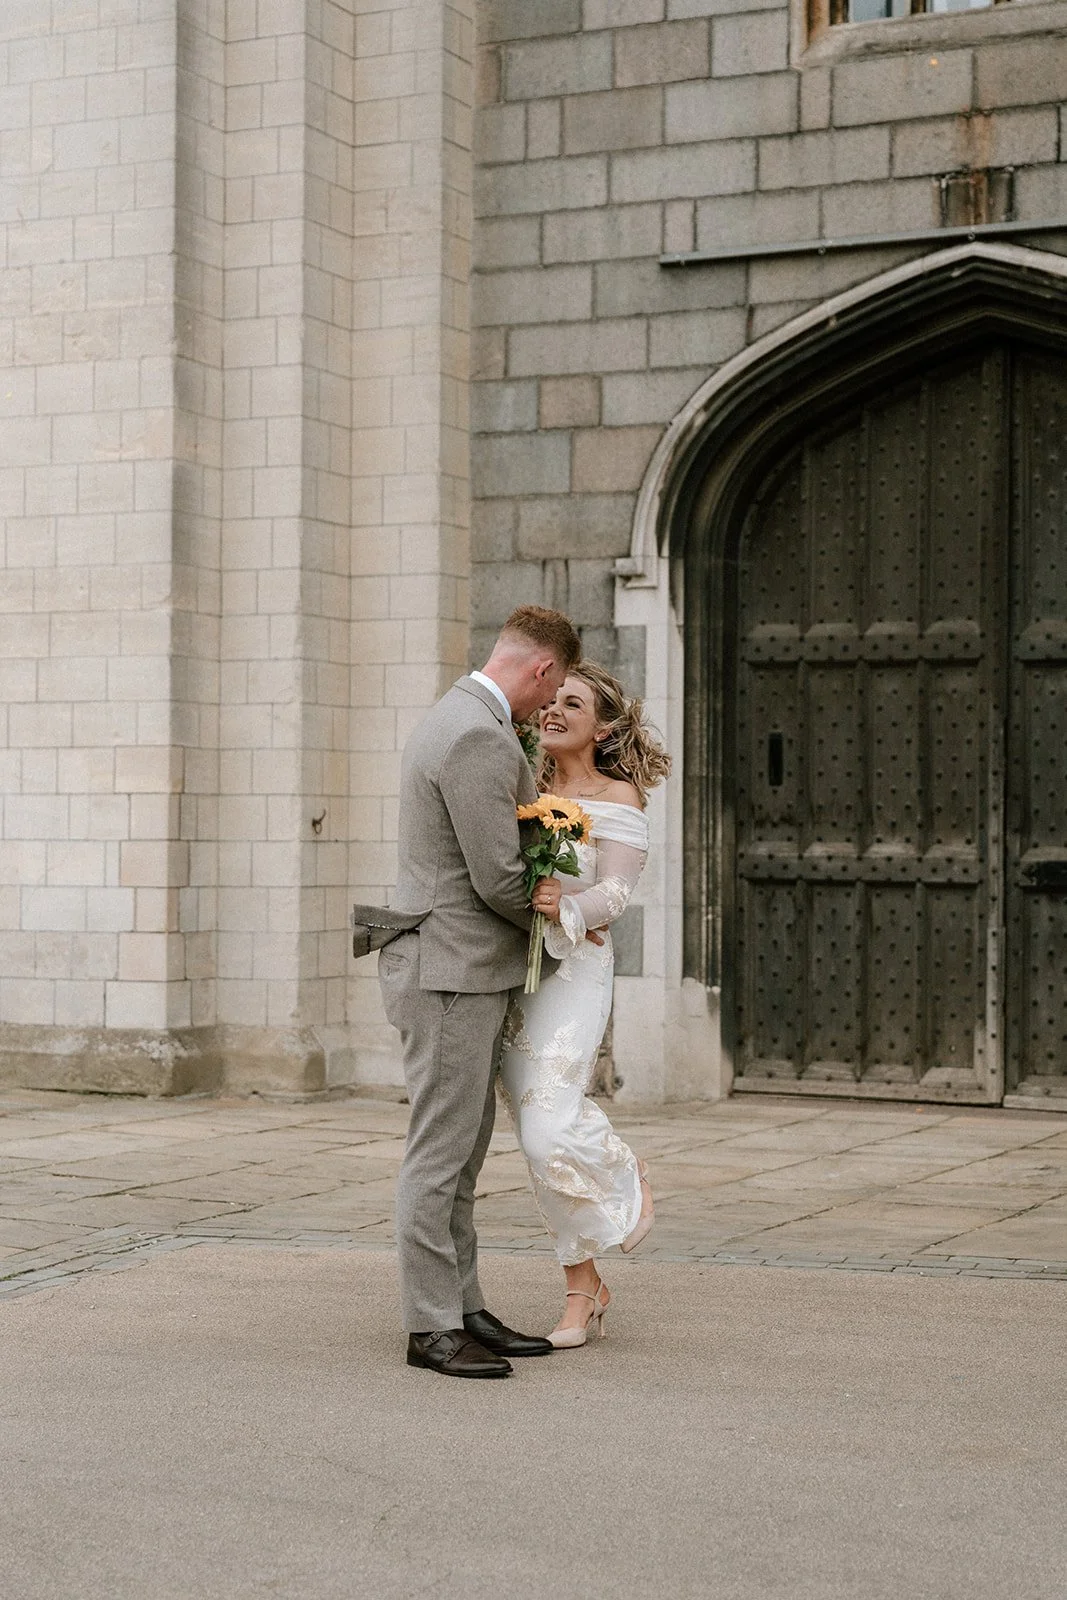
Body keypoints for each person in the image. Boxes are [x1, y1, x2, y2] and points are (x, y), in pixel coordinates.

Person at [376, 605, 582, 1379]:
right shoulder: (473, 734)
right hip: (449, 972)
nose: (548, 705)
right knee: (439, 1154)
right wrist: (563, 910)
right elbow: (498, 877)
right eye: (552, 688)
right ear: (540, 669)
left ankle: (461, 1306)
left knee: (461, 1153)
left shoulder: (466, 720)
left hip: (459, 969)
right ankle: (430, 1326)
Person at [498, 662, 671, 1348]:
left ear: (601, 728)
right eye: (551, 700)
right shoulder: (520, 784)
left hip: (573, 974)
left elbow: (615, 898)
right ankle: (583, 1289)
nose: (553, 711)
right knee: (536, 1143)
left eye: (573, 704)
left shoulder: (617, 798)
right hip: (508, 974)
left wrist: (566, 902)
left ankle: (625, 1171)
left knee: (549, 1124)